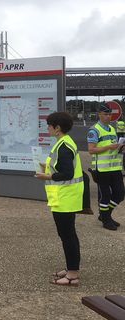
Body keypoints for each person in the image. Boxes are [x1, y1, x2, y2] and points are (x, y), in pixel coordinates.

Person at [35, 112, 83, 286]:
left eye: (49, 125)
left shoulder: (64, 147)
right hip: (64, 198)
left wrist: (47, 177)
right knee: (67, 235)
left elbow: (67, 173)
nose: (47, 128)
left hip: (66, 198)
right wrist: (45, 166)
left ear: (57, 128)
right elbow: (60, 166)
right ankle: (71, 268)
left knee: (68, 235)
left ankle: (72, 275)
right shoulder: (63, 143)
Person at [87, 104, 124, 230]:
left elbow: (113, 146)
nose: (108, 117)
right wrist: (108, 147)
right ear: (100, 115)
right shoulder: (94, 130)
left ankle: (105, 215)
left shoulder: (112, 129)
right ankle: (106, 220)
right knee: (105, 196)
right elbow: (91, 150)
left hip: (115, 168)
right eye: (106, 114)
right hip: (102, 170)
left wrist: (120, 147)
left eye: (109, 114)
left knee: (120, 194)